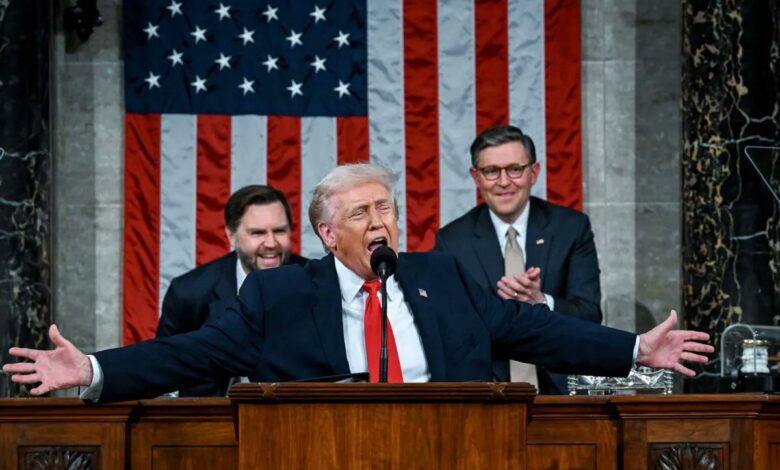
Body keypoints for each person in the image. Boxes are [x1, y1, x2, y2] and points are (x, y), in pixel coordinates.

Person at [3, 164, 713, 403]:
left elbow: (536, 331)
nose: (380, 222)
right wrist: (93, 368)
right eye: (361, 213)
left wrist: (632, 350)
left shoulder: (443, 276)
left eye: (387, 209)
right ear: (326, 233)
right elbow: (189, 354)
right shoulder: (280, 295)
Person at [436, 125, 601, 394]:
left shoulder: (571, 228)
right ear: (476, 177)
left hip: (561, 391)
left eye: (515, 169)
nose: (503, 182)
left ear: (534, 172)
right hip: (486, 391)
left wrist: (541, 302)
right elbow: (447, 328)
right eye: (491, 171)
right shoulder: (452, 241)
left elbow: (590, 314)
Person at [156, 184, 308, 396]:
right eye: (257, 233)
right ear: (231, 235)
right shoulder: (189, 292)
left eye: (279, 231)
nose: (271, 243)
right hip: (211, 412)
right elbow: (164, 368)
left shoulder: (317, 283)